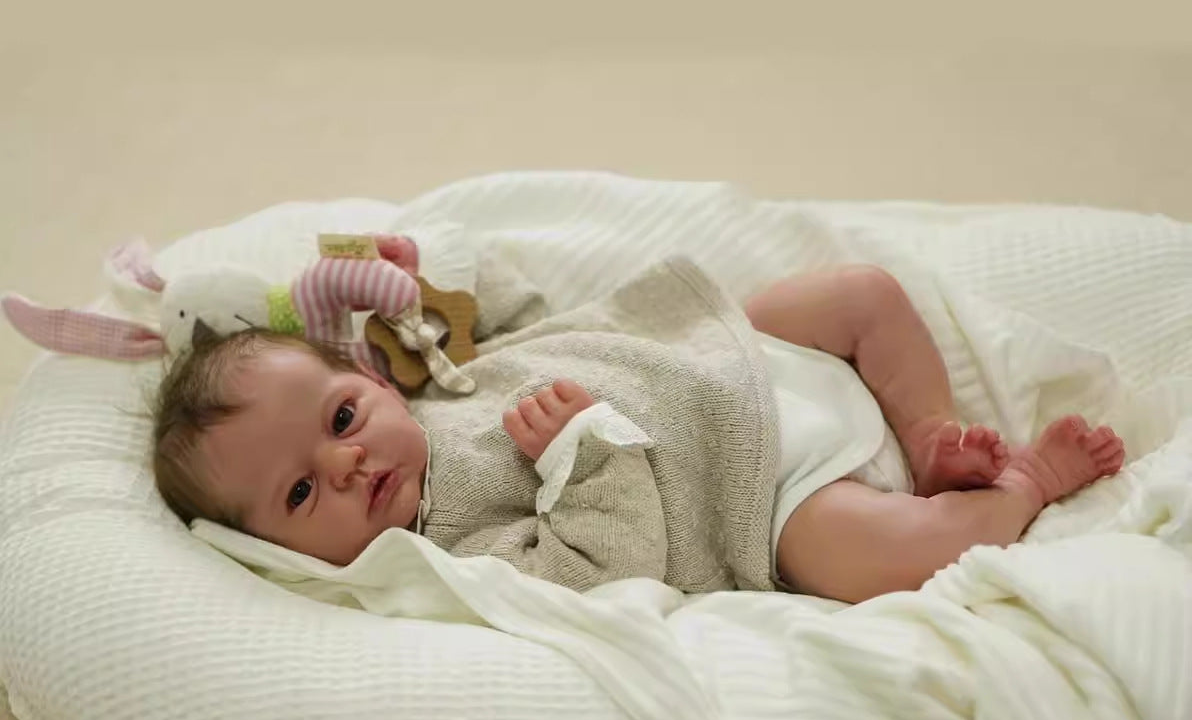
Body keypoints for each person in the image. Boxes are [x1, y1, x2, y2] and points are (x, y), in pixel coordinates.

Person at [153, 258, 1124, 604]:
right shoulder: (444, 550)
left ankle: (930, 435)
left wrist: (437, 287)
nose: (346, 462)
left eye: (340, 417)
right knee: (887, 557)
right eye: (298, 493)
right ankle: (1021, 488)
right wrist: (581, 454)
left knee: (861, 295)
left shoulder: (444, 382)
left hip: (730, 356)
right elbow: (596, 575)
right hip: (763, 497)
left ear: (370, 379)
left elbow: (537, 316)